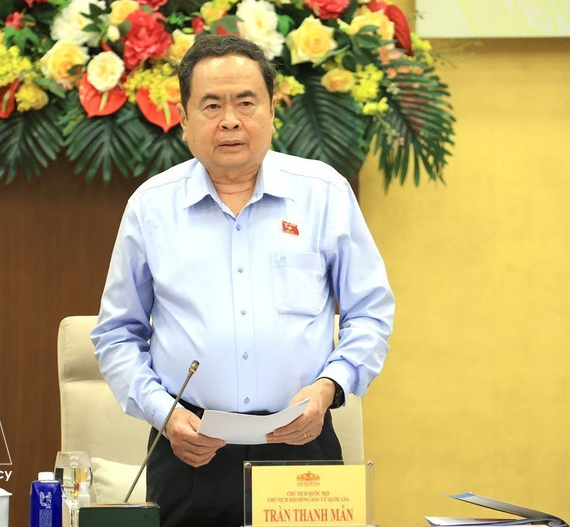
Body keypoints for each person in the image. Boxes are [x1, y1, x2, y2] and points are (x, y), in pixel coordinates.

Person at [92, 34, 394, 527]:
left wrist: (327, 388)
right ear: (184, 120)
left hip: (301, 445)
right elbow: (116, 333)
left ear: (273, 110)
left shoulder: (324, 194)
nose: (230, 120)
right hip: (190, 451)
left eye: (245, 102)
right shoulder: (151, 207)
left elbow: (370, 312)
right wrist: (163, 413)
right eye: (211, 105)